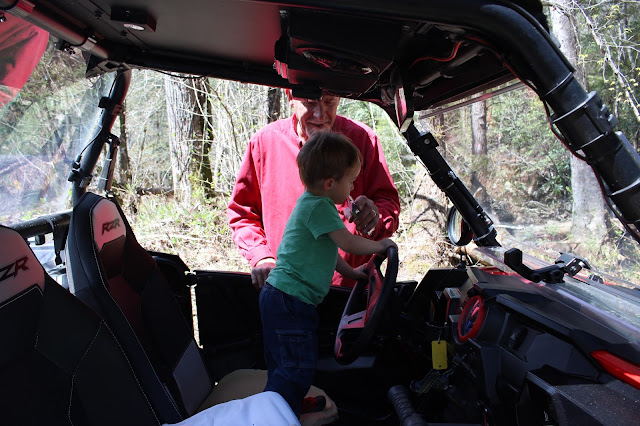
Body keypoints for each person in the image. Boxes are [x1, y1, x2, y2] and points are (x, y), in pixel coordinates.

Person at [259, 131, 397, 417]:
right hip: (291, 301)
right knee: (296, 368)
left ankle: (286, 404)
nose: (353, 186)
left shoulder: (313, 203)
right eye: (351, 181)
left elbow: (330, 254)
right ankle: (277, 416)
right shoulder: (319, 207)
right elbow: (347, 243)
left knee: (284, 363)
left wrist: (354, 273)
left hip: (282, 297)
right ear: (330, 183)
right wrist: (381, 246)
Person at [228, 91, 400, 289]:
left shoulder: (363, 140)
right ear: (290, 97)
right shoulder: (264, 143)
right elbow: (242, 214)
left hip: (350, 291)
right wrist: (262, 257)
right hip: (288, 289)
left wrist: (374, 219)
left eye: (329, 102)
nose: (320, 114)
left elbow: (388, 206)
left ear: (339, 99)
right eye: (310, 103)